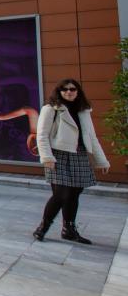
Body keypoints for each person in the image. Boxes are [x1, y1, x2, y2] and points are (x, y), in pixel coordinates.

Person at [33, 79, 110, 244]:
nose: (69, 92)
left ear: (78, 91)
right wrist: (47, 157)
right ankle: (43, 227)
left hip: (79, 154)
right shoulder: (51, 108)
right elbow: (42, 135)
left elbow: (91, 137)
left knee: (74, 194)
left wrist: (102, 161)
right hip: (58, 156)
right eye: (65, 89)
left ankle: (69, 230)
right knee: (61, 194)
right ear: (59, 91)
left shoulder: (84, 110)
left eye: (72, 89)